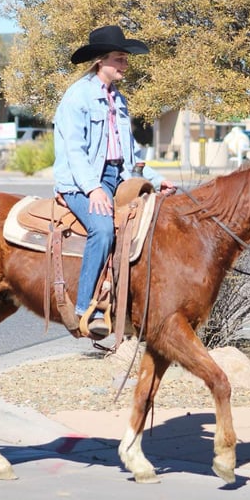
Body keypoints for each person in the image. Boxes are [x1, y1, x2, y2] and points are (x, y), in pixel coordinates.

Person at [52, 25, 176, 338]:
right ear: (100, 61)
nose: (125, 64)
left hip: (116, 177)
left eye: (125, 58)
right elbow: (75, 151)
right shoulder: (77, 97)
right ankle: (85, 307)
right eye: (119, 58)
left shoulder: (118, 100)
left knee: (154, 222)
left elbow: (129, 153)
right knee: (103, 228)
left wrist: (155, 179)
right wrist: (93, 189)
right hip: (80, 182)